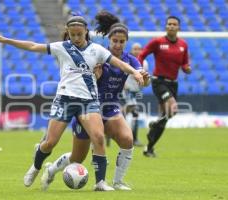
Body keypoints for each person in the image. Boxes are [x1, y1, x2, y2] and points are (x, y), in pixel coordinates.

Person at [0, 14, 144, 191]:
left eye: (80, 34)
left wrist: (135, 72)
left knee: (99, 137)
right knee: (50, 142)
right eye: (73, 35)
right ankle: (35, 167)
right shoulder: (61, 47)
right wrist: (6, 40)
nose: (76, 38)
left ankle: (100, 183)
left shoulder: (97, 50)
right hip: (65, 100)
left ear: (86, 32)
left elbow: (119, 64)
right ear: (68, 34)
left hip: (89, 101)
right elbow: (33, 46)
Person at [39, 11, 150, 191]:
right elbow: (80, 75)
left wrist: (144, 78)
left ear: (126, 42)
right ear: (109, 41)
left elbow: (143, 80)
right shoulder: (98, 55)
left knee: (127, 139)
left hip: (111, 107)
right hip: (88, 107)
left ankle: (117, 181)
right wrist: (95, 76)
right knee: (77, 158)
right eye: (115, 41)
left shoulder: (130, 60)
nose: (118, 44)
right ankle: (52, 169)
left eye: (122, 42)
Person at [138, 16, 191, 157]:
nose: (172, 26)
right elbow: (142, 55)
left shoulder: (183, 45)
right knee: (173, 109)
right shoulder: (158, 42)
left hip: (173, 83)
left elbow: (185, 63)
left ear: (179, 27)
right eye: (169, 24)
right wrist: (139, 69)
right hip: (159, 82)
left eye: (174, 24)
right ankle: (155, 125)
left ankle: (148, 148)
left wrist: (186, 68)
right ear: (166, 26)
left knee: (165, 118)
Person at [121, 43, 149, 147]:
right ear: (131, 50)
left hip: (136, 91)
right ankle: (134, 139)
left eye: (139, 49)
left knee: (132, 113)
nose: (137, 51)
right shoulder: (128, 61)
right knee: (135, 112)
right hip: (127, 90)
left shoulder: (144, 63)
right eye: (135, 49)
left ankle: (118, 118)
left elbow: (145, 79)